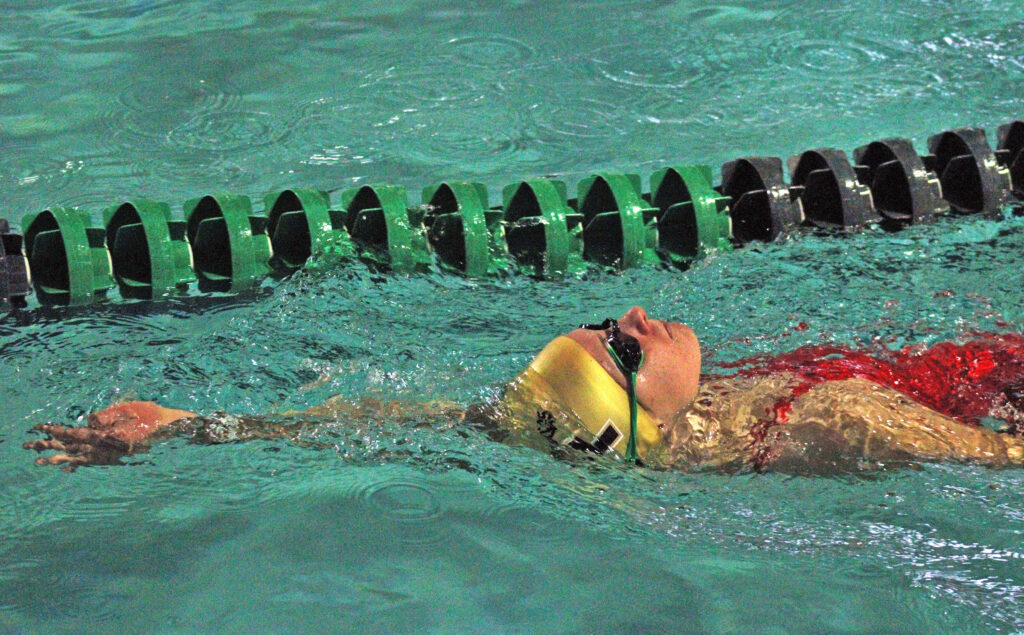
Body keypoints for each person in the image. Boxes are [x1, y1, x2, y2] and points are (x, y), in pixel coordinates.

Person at [23, 306, 1024, 472]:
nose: (636, 321)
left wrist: (187, 422)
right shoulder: (843, 415)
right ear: (644, 412)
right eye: (624, 347)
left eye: (606, 325)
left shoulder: (525, 432)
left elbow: (368, 425)